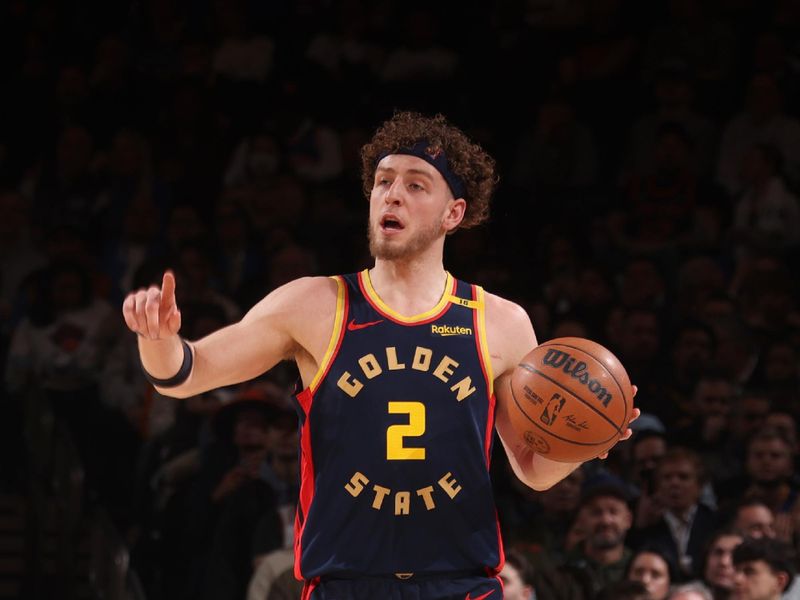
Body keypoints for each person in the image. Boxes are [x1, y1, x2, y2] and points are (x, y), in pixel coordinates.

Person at [122, 110, 638, 599]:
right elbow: (186, 375)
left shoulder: (498, 320)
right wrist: (158, 339)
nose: (392, 195)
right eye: (384, 181)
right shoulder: (314, 304)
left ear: (453, 213)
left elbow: (531, 469)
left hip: (460, 584)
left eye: (416, 185)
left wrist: (589, 438)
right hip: (345, 583)